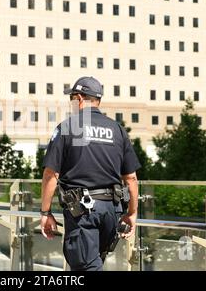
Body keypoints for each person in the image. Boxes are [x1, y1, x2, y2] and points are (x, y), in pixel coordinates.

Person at [40, 76, 141, 271]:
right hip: (112, 210)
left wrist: (45, 212)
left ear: (79, 98)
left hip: (83, 213)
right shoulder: (117, 130)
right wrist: (132, 213)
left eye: (72, 99)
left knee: (87, 267)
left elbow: (50, 175)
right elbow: (131, 178)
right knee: (93, 262)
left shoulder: (68, 127)